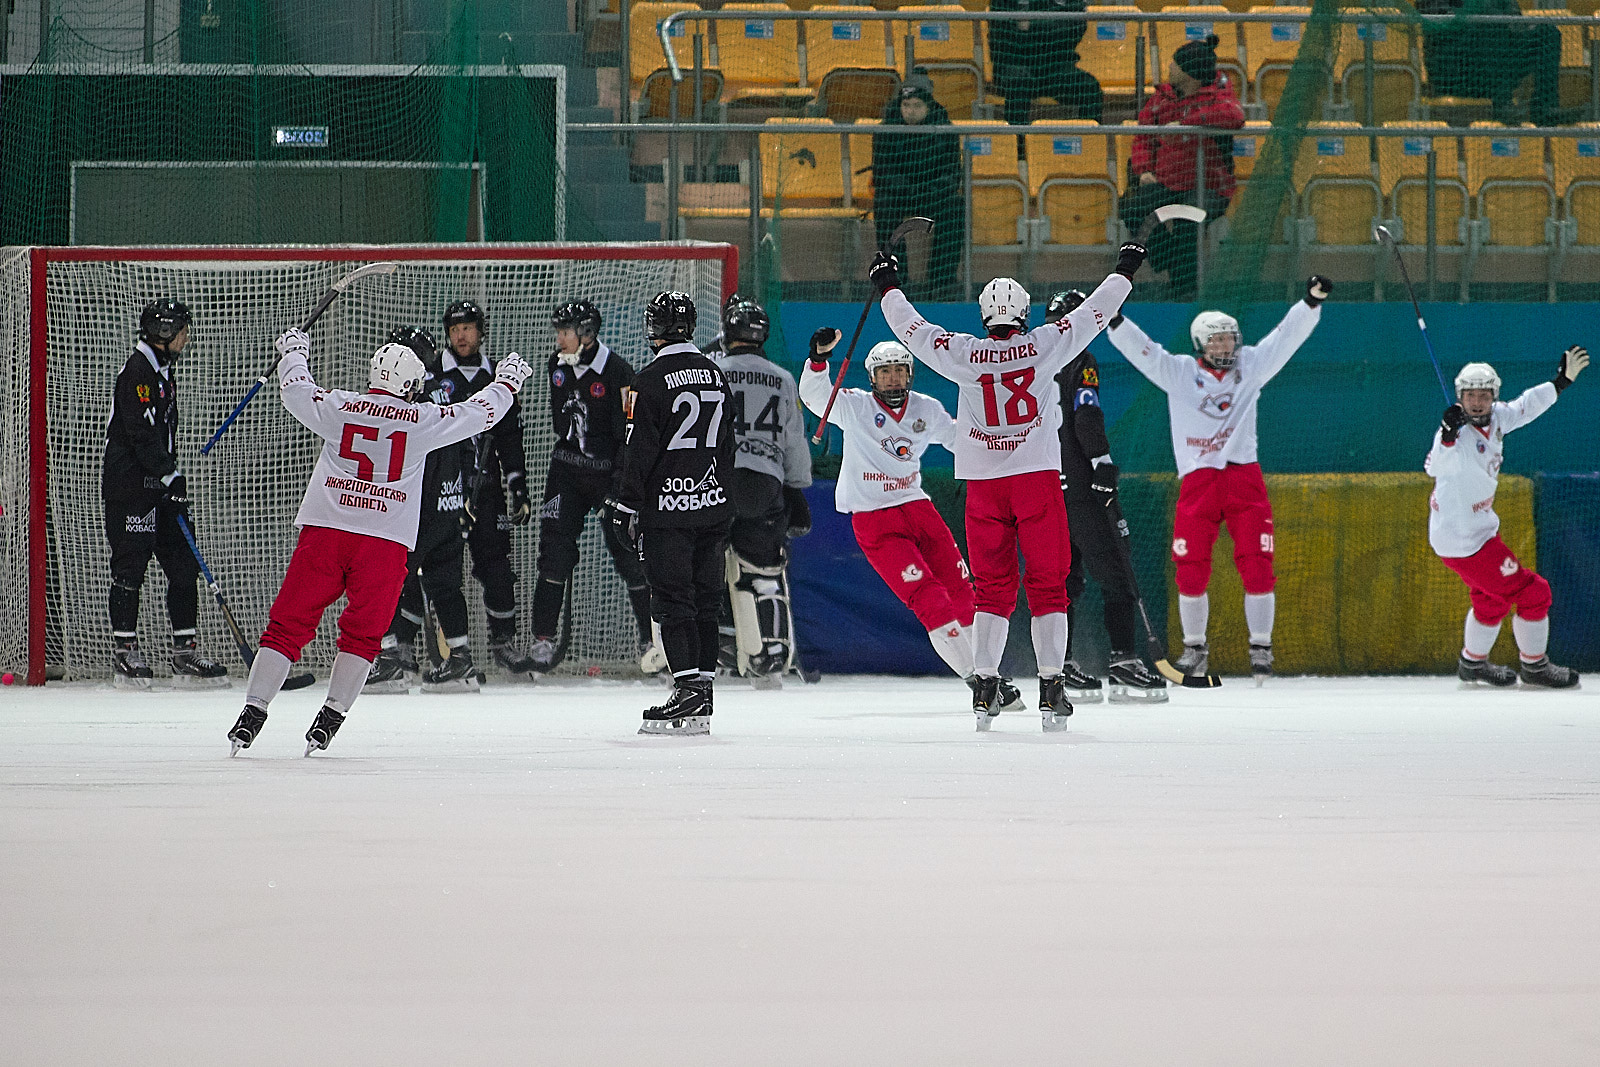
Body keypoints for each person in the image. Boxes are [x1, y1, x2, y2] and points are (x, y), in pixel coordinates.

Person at [871, 241, 1146, 731]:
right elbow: (1096, 313)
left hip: (983, 486)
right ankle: (1052, 688)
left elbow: (910, 329)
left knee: (991, 592)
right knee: (1050, 588)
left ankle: (983, 688)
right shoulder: (1045, 344)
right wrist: (1125, 268)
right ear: (1022, 311)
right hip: (1037, 481)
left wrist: (887, 283)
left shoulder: (962, 352)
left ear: (983, 314)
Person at [226, 331, 531, 755]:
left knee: (287, 625)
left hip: (326, 532)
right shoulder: (423, 419)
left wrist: (295, 353)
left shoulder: (339, 405)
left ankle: (253, 710)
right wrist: (507, 384)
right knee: (363, 636)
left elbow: (296, 392)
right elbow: (477, 413)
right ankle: (331, 715)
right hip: (383, 543)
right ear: (410, 384)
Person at [1105, 276, 1331, 684]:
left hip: (1245, 478)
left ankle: (1261, 648)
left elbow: (1285, 338)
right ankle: (1195, 649)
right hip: (1198, 482)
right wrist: (1115, 322)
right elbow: (1145, 353)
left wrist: (1310, 303)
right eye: (1217, 340)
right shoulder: (1179, 373)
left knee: (1258, 565)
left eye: (1230, 339)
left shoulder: (1253, 367)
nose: (1225, 347)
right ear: (1200, 344)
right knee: (1190, 568)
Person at [800, 330, 1025, 713]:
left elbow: (960, 439)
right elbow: (816, 396)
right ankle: (979, 682)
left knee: (964, 591)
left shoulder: (926, 409)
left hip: (918, 507)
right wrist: (819, 359)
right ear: (872, 378)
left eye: (900, 371)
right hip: (875, 519)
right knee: (931, 600)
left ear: (911, 374)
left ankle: (991, 674)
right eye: (884, 372)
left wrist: (1007, 447)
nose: (893, 379)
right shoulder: (854, 407)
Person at [609, 292, 736, 736]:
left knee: (670, 599)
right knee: (706, 599)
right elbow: (726, 447)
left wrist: (625, 505)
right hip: (713, 505)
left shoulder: (647, 380)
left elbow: (637, 450)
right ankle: (702, 690)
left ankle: (686, 692)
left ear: (654, 328)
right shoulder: (716, 375)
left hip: (668, 511)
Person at [1427, 351, 1587, 688]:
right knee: (1534, 593)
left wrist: (1560, 383)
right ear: (1460, 397)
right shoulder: (1454, 434)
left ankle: (1472, 664)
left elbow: (1525, 407)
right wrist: (1447, 434)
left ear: (1493, 396)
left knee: (1491, 598)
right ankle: (1535, 667)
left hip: (1481, 530)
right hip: (1462, 539)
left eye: (1484, 395)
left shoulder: (1498, 418)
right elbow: (1435, 467)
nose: (1477, 402)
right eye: (1470, 395)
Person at [1046, 290, 1167, 703]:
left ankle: (1057, 667)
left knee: (1063, 578)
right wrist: (1101, 462)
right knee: (1116, 570)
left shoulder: (1029, 361)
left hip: (1045, 487)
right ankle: (1122, 661)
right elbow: (1086, 415)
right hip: (1080, 487)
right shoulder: (1081, 361)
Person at [523, 300, 655, 676]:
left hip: (609, 476)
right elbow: (560, 425)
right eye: (559, 332)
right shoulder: (556, 367)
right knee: (553, 553)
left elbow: (629, 436)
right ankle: (543, 641)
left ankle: (651, 642)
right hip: (566, 473)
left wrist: (620, 484)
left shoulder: (618, 372)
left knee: (630, 554)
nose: (560, 339)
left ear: (588, 334)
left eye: (566, 332)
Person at [102, 298, 228, 689]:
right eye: (181, 330)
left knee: (183, 565)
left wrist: (169, 479)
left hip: (159, 487)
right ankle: (125, 653)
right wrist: (169, 474)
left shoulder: (161, 371)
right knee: (130, 570)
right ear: (163, 332)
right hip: (133, 491)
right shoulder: (139, 371)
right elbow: (140, 434)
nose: (186, 338)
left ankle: (184, 652)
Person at [364, 325, 481, 694]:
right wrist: (463, 496)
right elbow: (467, 447)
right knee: (445, 585)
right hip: (448, 507)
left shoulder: (410, 402)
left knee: (382, 578)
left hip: (417, 511)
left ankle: (390, 662)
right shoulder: (444, 393)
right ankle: (460, 660)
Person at [710, 295, 814, 687]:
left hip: (717, 480)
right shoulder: (782, 378)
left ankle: (717, 649)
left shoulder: (712, 371)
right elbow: (793, 441)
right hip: (765, 482)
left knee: (711, 567)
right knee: (765, 572)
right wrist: (797, 487)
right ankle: (772, 653)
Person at [434, 299, 536, 675]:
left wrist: (517, 486)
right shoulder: (434, 376)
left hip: (487, 491)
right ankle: (440, 652)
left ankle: (502, 642)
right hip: (445, 494)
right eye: (454, 328)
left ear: (480, 331)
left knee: (496, 567)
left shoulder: (497, 378)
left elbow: (509, 437)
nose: (461, 335)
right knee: (440, 570)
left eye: (467, 327)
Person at [1117, 35, 1244, 300]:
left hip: (1209, 186)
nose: (1170, 68)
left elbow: (1234, 116)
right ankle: (1170, 263)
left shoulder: (1217, 96)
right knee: (1132, 208)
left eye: (1175, 64)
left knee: (1189, 221)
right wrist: (1144, 171)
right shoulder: (1162, 98)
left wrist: (1189, 124)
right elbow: (1143, 137)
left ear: (1189, 74)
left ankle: (1184, 294)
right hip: (1166, 181)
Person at [871, 74, 965, 300]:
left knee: (955, 206)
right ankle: (895, 280)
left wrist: (931, 189)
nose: (910, 111)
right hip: (898, 194)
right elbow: (881, 171)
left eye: (916, 105)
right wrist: (903, 188)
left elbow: (953, 173)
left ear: (928, 106)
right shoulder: (886, 129)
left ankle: (940, 282)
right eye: (906, 105)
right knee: (883, 205)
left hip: (933, 193)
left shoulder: (945, 128)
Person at [1417, 0, 1572, 127]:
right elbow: (1438, 25)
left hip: (1494, 67)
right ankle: (1502, 104)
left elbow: (1516, 20)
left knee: (1547, 33)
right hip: (1454, 71)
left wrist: (1508, 26)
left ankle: (1544, 110)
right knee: (1489, 26)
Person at [988, 0, 1103, 127]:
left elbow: (1076, 28)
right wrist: (1049, 28)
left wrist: (1029, 26)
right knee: (1019, 82)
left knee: (1090, 87)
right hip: (1014, 65)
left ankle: (1090, 142)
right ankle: (1017, 142)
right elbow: (1004, 33)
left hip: (1054, 66)